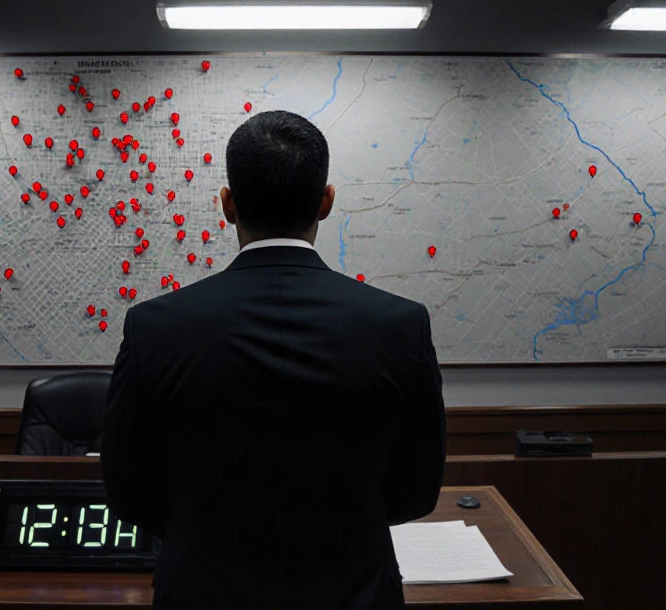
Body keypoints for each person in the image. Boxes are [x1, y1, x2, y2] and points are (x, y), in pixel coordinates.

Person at [101, 110, 446, 610]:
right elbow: (416, 493)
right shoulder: (400, 326)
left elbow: (128, 491)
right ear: (326, 202)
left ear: (227, 205)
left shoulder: (154, 326)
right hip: (355, 594)